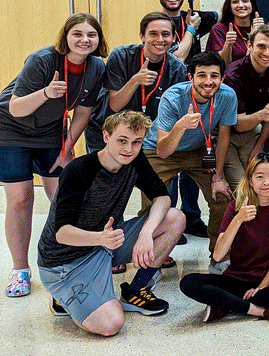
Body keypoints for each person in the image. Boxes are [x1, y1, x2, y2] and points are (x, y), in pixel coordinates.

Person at [0, 13, 107, 297]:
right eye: (77, 33)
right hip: (8, 130)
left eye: (91, 35)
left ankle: (69, 257)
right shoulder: (42, 60)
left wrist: (67, 149)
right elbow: (15, 108)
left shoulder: (95, 67)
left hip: (50, 134)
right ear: (65, 37)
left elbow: (83, 113)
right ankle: (20, 271)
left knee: (64, 194)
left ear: (99, 40)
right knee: (21, 200)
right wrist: (46, 92)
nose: (84, 40)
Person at [37, 111, 185, 334]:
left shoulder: (135, 160)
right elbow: (62, 233)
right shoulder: (78, 171)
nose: (129, 149)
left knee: (175, 218)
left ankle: (135, 290)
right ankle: (62, 296)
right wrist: (99, 238)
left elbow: (162, 197)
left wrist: (146, 234)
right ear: (106, 136)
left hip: (106, 244)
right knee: (111, 324)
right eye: (122, 141)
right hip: (65, 261)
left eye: (137, 142)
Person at [180, 153, 269, 323]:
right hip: (237, 278)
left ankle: (224, 304)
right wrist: (239, 219)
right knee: (188, 282)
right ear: (250, 180)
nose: (267, 182)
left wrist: (261, 287)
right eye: (260, 177)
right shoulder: (235, 207)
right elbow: (218, 255)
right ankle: (261, 311)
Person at [142, 51, 237, 269]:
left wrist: (218, 177)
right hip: (159, 150)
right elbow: (163, 150)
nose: (208, 81)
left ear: (222, 78)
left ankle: (219, 255)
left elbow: (224, 137)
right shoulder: (173, 98)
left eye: (214, 76)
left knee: (222, 198)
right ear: (190, 77)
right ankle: (154, 256)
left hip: (198, 150)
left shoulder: (228, 95)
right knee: (153, 204)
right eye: (201, 75)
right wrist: (181, 126)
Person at [85, 12, 188, 152]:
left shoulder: (177, 69)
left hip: (145, 138)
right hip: (107, 132)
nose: (160, 39)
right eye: (153, 34)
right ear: (142, 36)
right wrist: (135, 80)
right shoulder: (121, 56)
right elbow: (115, 105)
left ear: (174, 38)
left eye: (165, 34)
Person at [223, 24, 269, 187]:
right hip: (225, 134)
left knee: (257, 183)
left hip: (253, 133)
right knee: (240, 186)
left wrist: (260, 145)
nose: (267, 53)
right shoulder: (232, 75)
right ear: (249, 46)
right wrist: (261, 115)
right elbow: (238, 124)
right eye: (261, 46)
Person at [151, 0, 218, 64]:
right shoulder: (152, 24)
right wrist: (191, 28)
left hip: (194, 78)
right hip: (171, 78)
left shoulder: (195, 17)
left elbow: (230, 13)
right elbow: (177, 59)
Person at [208, 0, 263, 66]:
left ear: (252, 5)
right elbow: (222, 65)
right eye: (235, 2)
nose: (240, 5)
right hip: (231, 77)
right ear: (230, 7)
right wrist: (228, 45)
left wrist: (261, 32)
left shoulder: (261, 28)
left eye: (245, 1)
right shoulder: (220, 29)